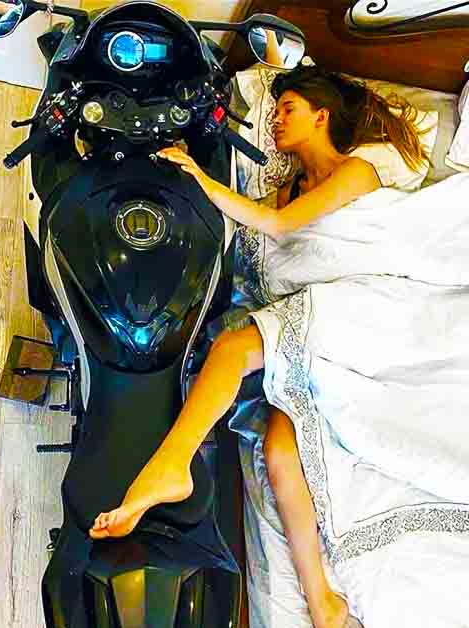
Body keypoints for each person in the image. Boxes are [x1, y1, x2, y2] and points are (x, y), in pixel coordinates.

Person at [88, 66, 437, 628]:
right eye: (273, 112)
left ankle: (171, 466)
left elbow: (277, 228)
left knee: (233, 349)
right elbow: (258, 246)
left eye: (289, 109)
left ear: (323, 116)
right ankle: (323, 599)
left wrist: (200, 176)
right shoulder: (284, 188)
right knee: (279, 453)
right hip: (311, 325)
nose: (276, 120)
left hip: (363, 307)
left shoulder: (356, 173)